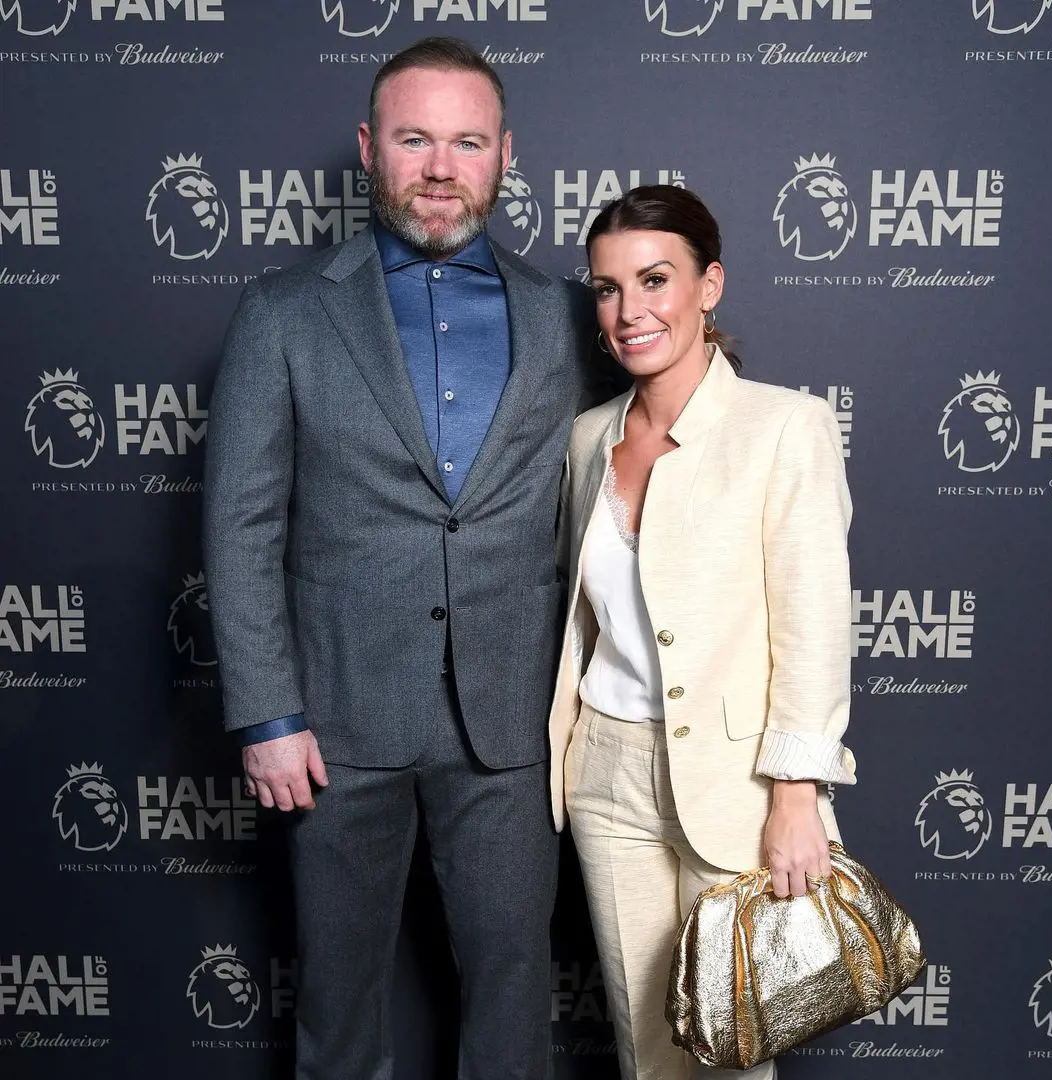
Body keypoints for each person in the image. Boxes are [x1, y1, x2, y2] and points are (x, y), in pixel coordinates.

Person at [203, 37, 616, 1080]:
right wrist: (267, 714)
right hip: (334, 724)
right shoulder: (284, 314)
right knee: (339, 1004)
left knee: (514, 990)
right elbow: (242, 525)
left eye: (467, 141)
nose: (441, 165)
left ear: (506, 155)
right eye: (415, 138)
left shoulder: (572, 317)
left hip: (515, 724)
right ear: (368, 148)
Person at [546, 185, 857, 1080]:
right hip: (606, 776)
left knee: (730, 1053)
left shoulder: (783, 426)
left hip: (738, 787)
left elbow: (813, 621)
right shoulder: (586, 439)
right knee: (646, 1051)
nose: (629, 311)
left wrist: (796, 795)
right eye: (607, 289)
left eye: (655, 279)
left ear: (709, 285)